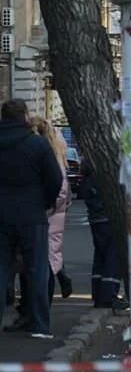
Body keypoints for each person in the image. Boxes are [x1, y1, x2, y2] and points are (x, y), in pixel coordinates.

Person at [0, 99, 63, 338]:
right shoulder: (37, 144)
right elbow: (55, 179)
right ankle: (40, 325)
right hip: (32, 214)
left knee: (2, 269)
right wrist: (45, 203)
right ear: (25, 116)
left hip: (2, 215)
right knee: (37, 270)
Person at [30, 118, 73, 308]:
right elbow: (65, 193)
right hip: (53, 214)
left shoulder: (49, 157)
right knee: (48, 256)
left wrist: (45, 209)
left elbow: (60, 191)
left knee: (44, 259)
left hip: (48, 215)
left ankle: (41, 304)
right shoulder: (56, 154)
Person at [78, 158, 125, 309]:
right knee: (113, 257)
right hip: (108, 219)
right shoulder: (105, 178)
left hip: (96, 220)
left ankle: (98, 292)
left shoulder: (87, 179)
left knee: (101, 256)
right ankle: (108, 294)